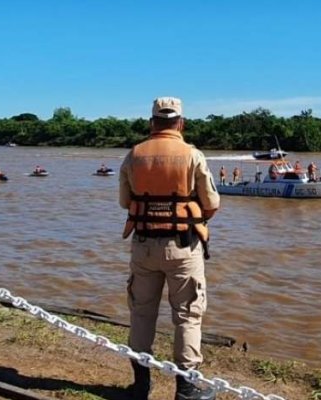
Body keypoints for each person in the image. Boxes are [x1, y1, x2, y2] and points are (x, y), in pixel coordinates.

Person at [119, 97, 220, 400]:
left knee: (141, 313)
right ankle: (186, 390)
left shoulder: (133, 155)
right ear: (180, 122)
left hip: (144, 247)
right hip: (183, 248)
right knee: (188, 316)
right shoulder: (193, 155)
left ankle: (140, 386)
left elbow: (126, 202)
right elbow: (212, 204)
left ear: (151, 122)